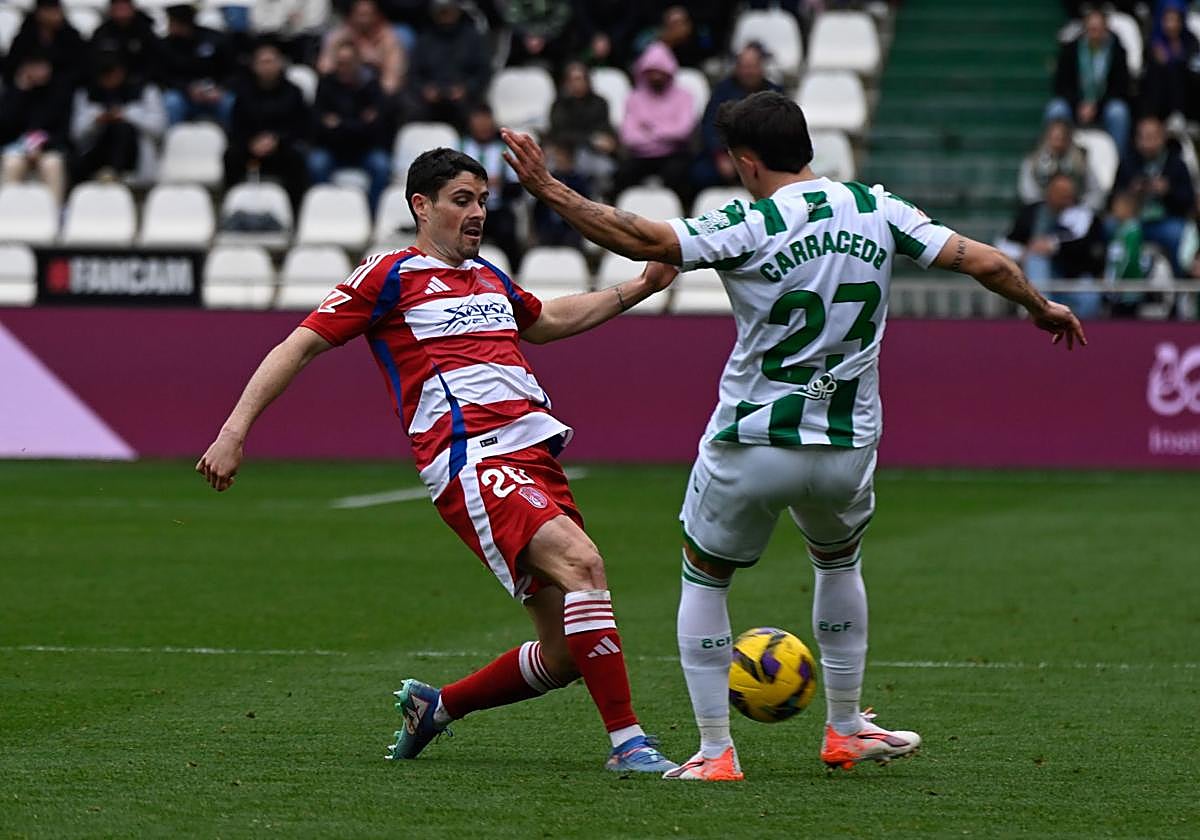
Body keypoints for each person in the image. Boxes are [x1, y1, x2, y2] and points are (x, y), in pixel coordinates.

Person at [500, 90, 1086, 781]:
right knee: (838, 564)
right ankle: (844, 730)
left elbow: (643, 240)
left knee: (705, 576)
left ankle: (717, 751)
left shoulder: (748, 221)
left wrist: (546, 188)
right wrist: (1038, 305)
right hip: (844, 446)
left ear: (747, 163)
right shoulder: (876, 207)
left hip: (752, 444)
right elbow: (983, 261)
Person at [195, 146, 681, 775]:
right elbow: (300, 344)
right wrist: (234, 431)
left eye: (482, 200)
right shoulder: (389, 274)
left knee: (564, 654)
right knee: (584, 563)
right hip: (473, 458)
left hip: (533, 457)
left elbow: (547, 319)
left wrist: (638, 286)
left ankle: (437, 708)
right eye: (462, 200)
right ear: (421, 206)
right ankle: (629, 745)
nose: (477, 212)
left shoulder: (489, 277)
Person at [1000, 174, 1107, 319]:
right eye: (1060, 192)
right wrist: (1026, 251)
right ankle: (1040, 310)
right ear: (1049, 192)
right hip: (1039, 273)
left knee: (1090, 298)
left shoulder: (1084, 215)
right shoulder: (1032, 212)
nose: (1065, 197)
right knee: (1036, 259)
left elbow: (1085, 246)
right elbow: (1004, 244)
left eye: (1068, 193)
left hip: (1075, 276)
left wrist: (1053, 246)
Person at [308, 38, 394, 211]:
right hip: (332, 148)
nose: (344, 68)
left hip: (365, 149)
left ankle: (371, 214)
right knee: (316, 164)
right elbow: (318, 123)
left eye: (348, 63)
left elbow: (377, 125)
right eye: (340, 63)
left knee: (382, 166)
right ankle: (326, 210)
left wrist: (339, 124)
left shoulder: (371, 85)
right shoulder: (325, 84)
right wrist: (358, 123)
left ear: (357, 62)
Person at [224, 42, 311, 211]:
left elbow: (301, 126)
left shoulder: (294, 92)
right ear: (254, 66)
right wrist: (251, 143)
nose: (267, 67)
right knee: (230, 156)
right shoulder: (243, 94)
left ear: (280, 64)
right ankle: (231, 209)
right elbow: (236, 127)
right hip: (251, 148)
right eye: (263, 62)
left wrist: (277, 140)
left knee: (297, 159)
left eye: (271, 61)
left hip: (282, 147)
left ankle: (295, 212)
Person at [614, 40, 697, 205]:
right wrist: (665, 132)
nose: (656, 76)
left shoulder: (684, 96)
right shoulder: (634, 98)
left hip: (674, 155)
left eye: (660, 71)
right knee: (622, 174)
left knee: (680, 175)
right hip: (641, 156)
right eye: (651, 72)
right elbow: (629, 136)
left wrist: (650, 129)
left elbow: (683, 131)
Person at [693, 43, 782, 193]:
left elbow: (780, 129)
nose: (748, 72)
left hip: (763, 157)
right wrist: (720, 156)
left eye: (752, 66)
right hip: (727, 154)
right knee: (698, 173)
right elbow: (710, 126)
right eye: (744, 66)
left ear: (761, 67)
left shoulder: (775, 93)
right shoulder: (722, 92)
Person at [1112, 116, 1196, 275]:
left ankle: (1181, 286)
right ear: (1136, 139)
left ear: (1162, 137)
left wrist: (1168, 191)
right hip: (1133, 218)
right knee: (1110, 229)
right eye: (1143, 137)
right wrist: (1132, 192)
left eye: (1152, 137)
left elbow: (1189, 200)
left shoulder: (1176, 163)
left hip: (1164, 221)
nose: (1148, 143)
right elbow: (1113, 198)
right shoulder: (1128, 162)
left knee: (1178, 233)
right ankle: (1116, 290)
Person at [70, 49, 167, 184]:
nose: (111, 80)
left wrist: (126, 115)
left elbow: (159, 128)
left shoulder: (145, 90)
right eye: (106, 76)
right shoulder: (88, 93)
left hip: (134, 154)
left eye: (114, 73)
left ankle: (114, 172)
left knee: (121, 129)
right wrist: (96, 121)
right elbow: (76, 134)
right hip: (96, 150)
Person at [1047, 8, 1132, 155]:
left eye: (1098, 29)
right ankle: (1053, 158)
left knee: (1119, 112)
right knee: (1056, 109)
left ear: (1106, 28)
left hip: (1104, 105)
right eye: (1091, 29)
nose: (1095, 33)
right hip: (1075, 105)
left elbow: (1120, 87)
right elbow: (1061, 85)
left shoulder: (1117, 51)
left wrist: (1096, 106)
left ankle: (1118, 162)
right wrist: (1078, 104)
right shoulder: (1071, 50)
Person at [0, 52, 73, 204]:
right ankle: (7, 213)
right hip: (16, 149)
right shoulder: (13, 92)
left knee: (53, 165)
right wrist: (19, 92)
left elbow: (63, 131)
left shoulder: (59, 92)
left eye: (42, 67)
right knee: (11, 165)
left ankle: (53, 214)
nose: (39, 71)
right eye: (34, 67)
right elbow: (5, 126)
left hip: (48, 148)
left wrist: (43, 145)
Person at [405, 0, 490, 129]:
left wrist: (466, 89)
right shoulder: (424, 39)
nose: (445, 15)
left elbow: (483, 72)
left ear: (457, 11)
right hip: (431, 100)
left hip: (464, 98)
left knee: (475, 115)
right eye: (441, 12)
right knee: (410, 109)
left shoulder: (472, 37)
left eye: (448, 10)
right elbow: (413, 74)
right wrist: (425, 90)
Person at [158, 3, 236, 126]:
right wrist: (187, 88)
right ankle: (175, 139)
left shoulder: (215, 39)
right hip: (185, 94)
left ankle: (231, 139)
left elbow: (232, 70)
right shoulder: (165, 45)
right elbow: (164, 76)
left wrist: (221, 88)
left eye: (172, 22)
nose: (169, 26)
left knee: (229, 102)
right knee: (172, 101)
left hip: (215, 92)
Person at [317, 0, 405, 98]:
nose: (363, 20)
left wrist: (375, 61)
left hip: (375, 95)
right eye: (360, 15)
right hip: (342, 94)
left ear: (376, 16)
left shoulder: (389, 38)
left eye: (367, 15)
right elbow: (324, 69)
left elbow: (394, 78)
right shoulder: (339, 36)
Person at [1017, 119, 1103, 211]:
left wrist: (1085, 208)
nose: (1058, 143)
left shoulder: (1081, 161)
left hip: (1076, 208)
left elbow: (1096, 191)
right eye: (1054, 138)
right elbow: (1028, 192)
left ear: (1069, 140)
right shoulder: (1033, 161)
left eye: (1062, 138)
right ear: (1047, 138)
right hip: (1044, 208)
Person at [1140, 1, 1200, 123]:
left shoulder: (1190, 40)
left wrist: (1180, 58)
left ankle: (1180, 115)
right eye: (1167, 20)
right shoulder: (1153, 43)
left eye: (1175, 21)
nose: (1171, 25)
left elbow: (1194, 65)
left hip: (1188, 94)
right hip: (1161, 98)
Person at [90, 0, 161, 87]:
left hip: (142, 83)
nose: (122, 14)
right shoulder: (102, 32)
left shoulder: (145, 32)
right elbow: (93, 58)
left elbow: (156, 58)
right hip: (107, 85)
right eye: (118, 9)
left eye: (124, 8)